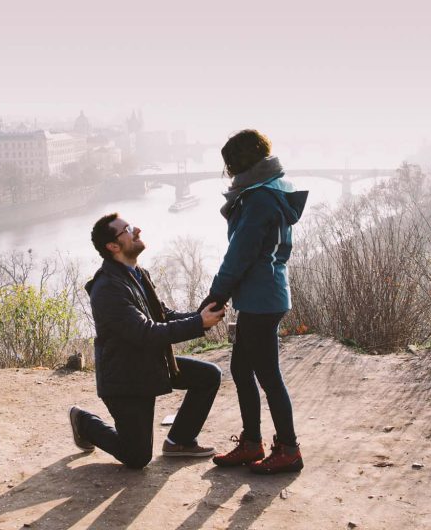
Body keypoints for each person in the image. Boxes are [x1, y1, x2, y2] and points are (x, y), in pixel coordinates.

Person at [68, 213, 226, 469]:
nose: (137, 230)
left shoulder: (138, 274)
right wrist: (198, 323)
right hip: (126, 379)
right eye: (128, 229)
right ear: (113, 246)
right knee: (137, 457)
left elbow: (162, 317)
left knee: (208, 376)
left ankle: (179, 440)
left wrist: (201, 315)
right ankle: (83, 422)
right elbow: (145, 333)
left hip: (151, 364)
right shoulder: (107, 288)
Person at [202, 129, 308, 474]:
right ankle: (252, 443)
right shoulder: (271, 190)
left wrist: (217, 294)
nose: (228, 173)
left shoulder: (259, 198)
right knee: (242, 368)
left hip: (261, 297)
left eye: (229, 165)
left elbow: (240, 254)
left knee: (267, 375)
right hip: (263, 294)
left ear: (238, 163)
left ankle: (288, 449)